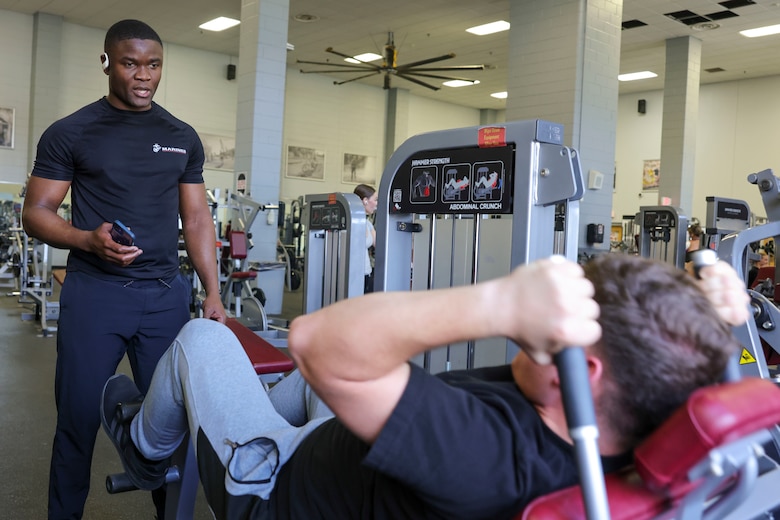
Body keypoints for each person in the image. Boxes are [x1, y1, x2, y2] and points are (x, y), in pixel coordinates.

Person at [101, 254, 748, 519]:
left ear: (582, 374)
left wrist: (500, 303)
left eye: (560, 331)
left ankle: (148, 447)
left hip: (275, 489)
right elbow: (688, 380)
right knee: (306, 384)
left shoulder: (489, 456)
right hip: (351, 454)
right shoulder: (640, 413)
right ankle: (237, 411)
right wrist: (703, 319)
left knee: (203, 339)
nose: (535, 334)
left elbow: (316, 338)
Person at [21, 19, 227, 519]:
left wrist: (213, 293)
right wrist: (86, 239)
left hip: (165, 297)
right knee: (76, 420)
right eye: (131, 63)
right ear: (107, 62)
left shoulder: (181, 136)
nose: (144, 76)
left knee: (173, 422)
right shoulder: (71, 132)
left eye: (153, 65)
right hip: (97, 295)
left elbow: (196, 217)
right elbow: (35, 213)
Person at [353, 183, 377, 293]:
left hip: (366, 272)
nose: (376, 204)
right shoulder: (353, 223)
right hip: (353, 274)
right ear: (365, 201)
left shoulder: (368, 224)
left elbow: (379, 244)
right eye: (375, 200)